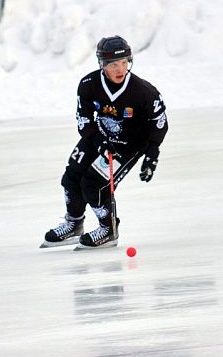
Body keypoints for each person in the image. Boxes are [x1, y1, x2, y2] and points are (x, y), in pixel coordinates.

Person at [42, 35, 168, 249]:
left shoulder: (144, 91)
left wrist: (152, 154)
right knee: (72, 177)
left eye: (124, 63)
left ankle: (108, 229)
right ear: (102, 65)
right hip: (97, 137)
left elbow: (160, 122)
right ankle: (73, 224)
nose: (120, 69)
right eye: (113, 64)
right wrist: (98, 140)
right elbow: (83, 120)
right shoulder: (89, 84)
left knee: (94, 185)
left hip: (127, 146)